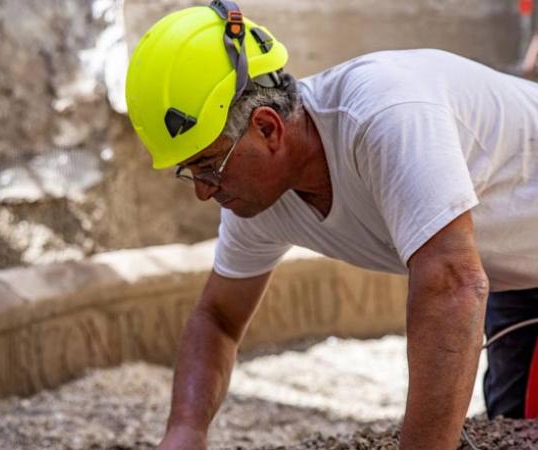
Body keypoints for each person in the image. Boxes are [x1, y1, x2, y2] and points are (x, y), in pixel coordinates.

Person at [125, 1, 538, 449]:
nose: (204, 191)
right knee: (513, 424)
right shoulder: (256, 197)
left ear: (268, 129)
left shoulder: (384, 114)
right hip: (516, 282)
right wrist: (185, 431)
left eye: (208, 165)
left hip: (493, 275)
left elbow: (452, 285)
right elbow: (218, 318)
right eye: (190, 172)